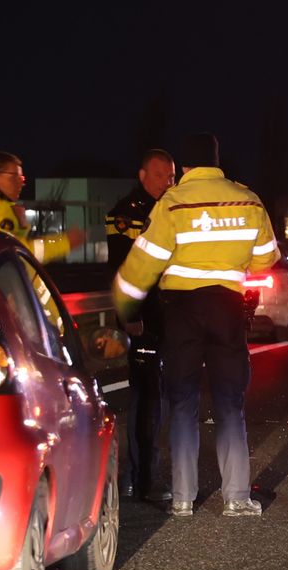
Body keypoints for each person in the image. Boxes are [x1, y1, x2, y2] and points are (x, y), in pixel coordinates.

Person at [113, 133, 279, 518]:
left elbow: (142, 265)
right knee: (229, 403)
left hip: (181, 312)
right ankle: (236, 496)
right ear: (216, 162)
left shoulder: (172, 204)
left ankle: (183, 497)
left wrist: (125, 306)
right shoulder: (248, 200)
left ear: (185, 166)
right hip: (227, 309)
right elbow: (266, 258)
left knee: (183, 401)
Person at [105, 149, 176, 501]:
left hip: (167, 317)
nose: (168, 182)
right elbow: (121, 268)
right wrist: (130, 317)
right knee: (145, 398)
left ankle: (147, 474)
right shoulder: (127, 214)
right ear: (143, 175)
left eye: (172, 176)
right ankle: (138, 476)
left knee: (157, 395)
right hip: (142, 319)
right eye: (161, 175)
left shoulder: (171, 209)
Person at [0, 151, 83, 262]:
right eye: (16, 176)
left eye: (22, 178)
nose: (22, 183)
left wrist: (21, 229)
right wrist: (66, 242)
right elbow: (20, 256)